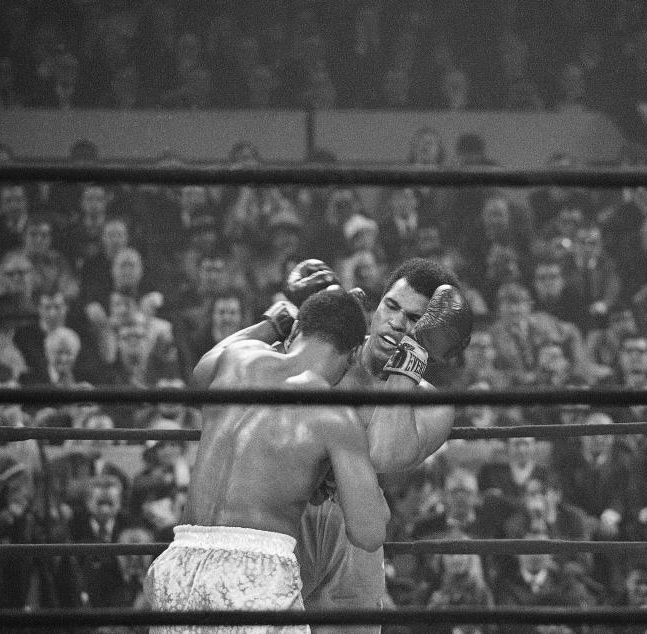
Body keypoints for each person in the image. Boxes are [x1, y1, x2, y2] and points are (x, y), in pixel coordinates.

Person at [211, 257, 473, 633]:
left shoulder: (433, 405)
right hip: (286, 519)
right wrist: (284, 319)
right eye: (391, 306)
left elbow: (382, 452)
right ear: (377, 304)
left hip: (354, 539)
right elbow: (216, 372)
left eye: (415, 319)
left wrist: (411, 358)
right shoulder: (325, 352)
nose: (397, 324)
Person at [146, 289, 388, 632]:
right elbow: (368, 532)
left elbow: (199, 375)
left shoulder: (238, 358)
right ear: (352, 355)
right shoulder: (334, 416)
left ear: (295, 331)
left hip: (179, 565)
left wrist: (270, 324)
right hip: (256, 578)